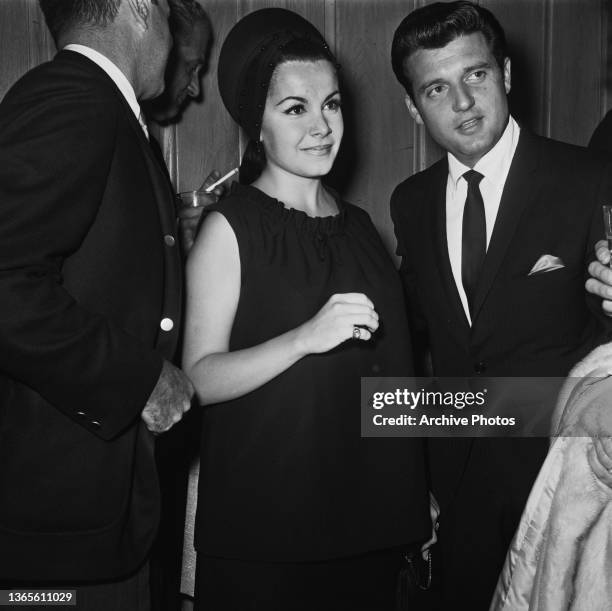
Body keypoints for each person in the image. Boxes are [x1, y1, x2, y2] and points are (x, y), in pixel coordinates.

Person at [182, 8, 431, 611]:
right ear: (256, 126)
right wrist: (303, 338)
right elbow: (196, 379)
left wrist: (417, 485)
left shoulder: (364, 229)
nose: (321, 126)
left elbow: (389, 373)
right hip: (269, 539)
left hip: (373, 527)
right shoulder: (230, 228)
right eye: (295, 108)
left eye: (332, 104)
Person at [389, 2, 612, 609]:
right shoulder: (408, 202)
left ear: (506, 74)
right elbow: (428, 344)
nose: (462, 102)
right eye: (438, 88)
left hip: (559, 483)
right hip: (453, 486)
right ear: (414, 107)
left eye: (477, 76)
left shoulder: (591, 178)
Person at [0, 0, 193, 608]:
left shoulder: (94, 104)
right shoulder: (74, 100)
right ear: (141, 6)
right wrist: (140, 379)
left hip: (91, 524)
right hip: (53, 548)